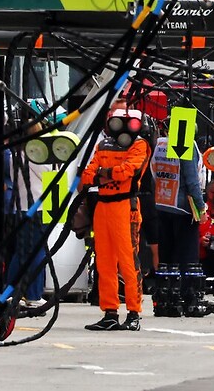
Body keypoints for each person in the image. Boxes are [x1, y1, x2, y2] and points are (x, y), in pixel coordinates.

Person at [80, 107, 151, 332]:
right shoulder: (103, 145)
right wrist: (109, 172)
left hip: (125, 206)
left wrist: (103, 172)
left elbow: (128, 171)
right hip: (103, 206)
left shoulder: (140, 145)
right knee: (104, 263)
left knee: (128, 261)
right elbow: (87, 175)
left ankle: (133, 313)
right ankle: (110, 312)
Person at [151, 117, 207, 317]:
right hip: (184, 208)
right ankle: (187, 297)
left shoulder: (160, 144)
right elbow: (192, 180)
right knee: (187, 257)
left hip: (163, 203)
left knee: (167, 256)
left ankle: (166, 299)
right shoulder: (186, 145)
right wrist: (201, 208)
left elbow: (154, 172)